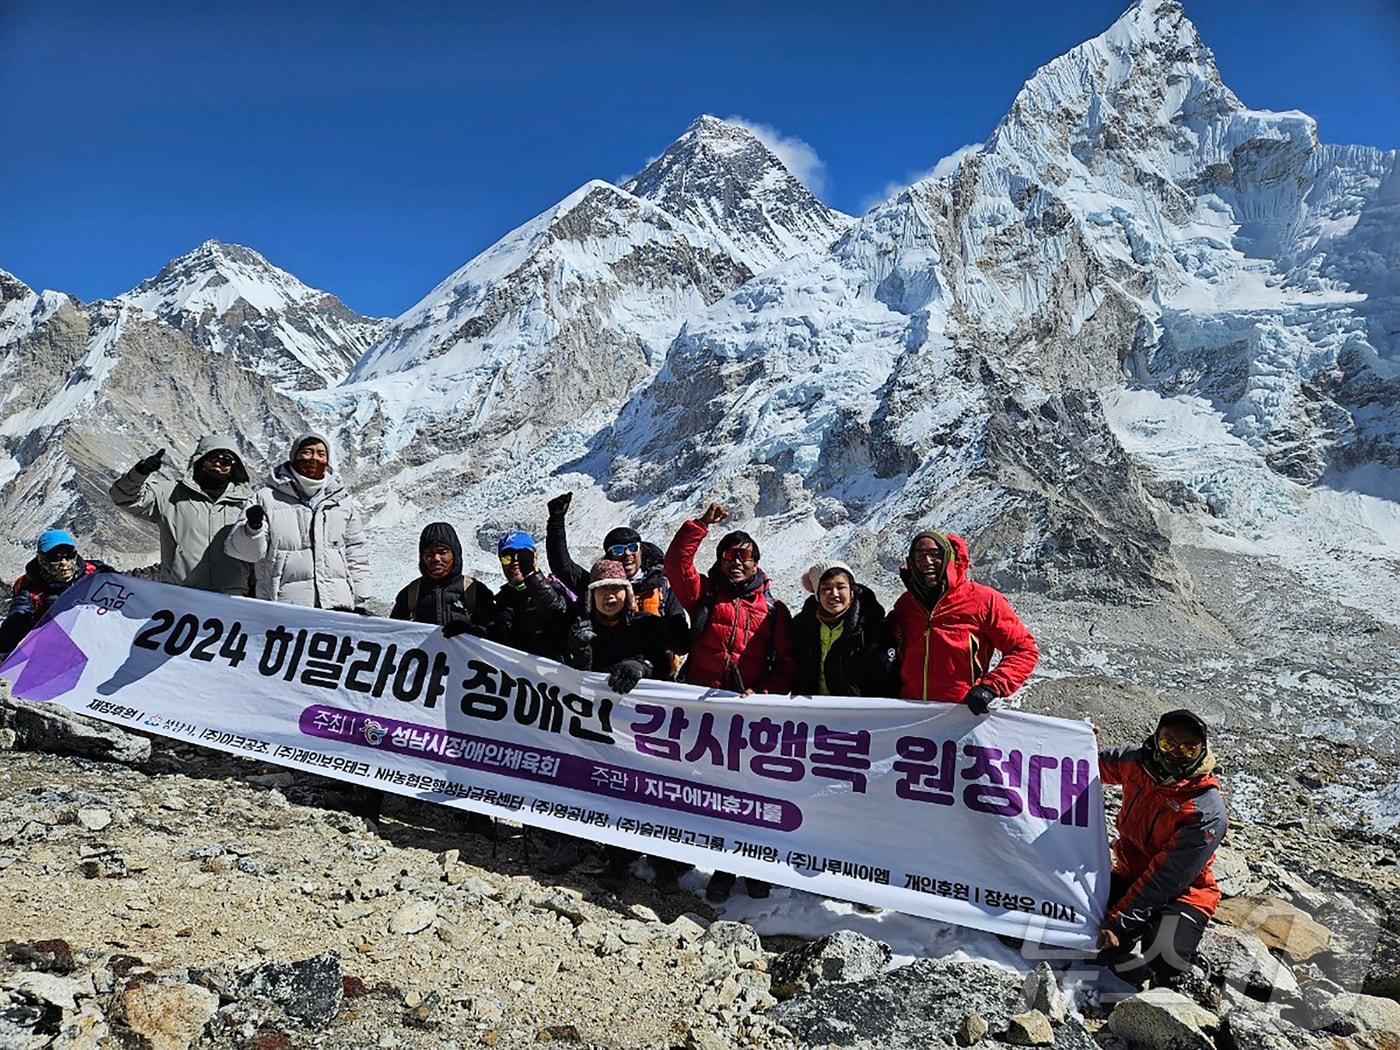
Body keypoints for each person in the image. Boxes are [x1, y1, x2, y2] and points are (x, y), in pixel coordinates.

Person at [664, 501, 794, 902]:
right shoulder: (704, 594)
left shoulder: (773, 611)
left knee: (743, 795)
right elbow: (675, 564)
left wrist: (764, 695)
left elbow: (787, 665)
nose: (736, 563)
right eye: (729, 556)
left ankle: (734, 867)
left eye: (744, 557)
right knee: (693, 786)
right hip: (700, 709)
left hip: (746, 715)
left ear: (756, 563)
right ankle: (680, 856)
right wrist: (699, 525)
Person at [564, 557, 688, 889]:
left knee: (651, 794)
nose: (610, 597)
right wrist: (578, 651)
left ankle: (663, 863)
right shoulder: (582, 629)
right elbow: (572, 679)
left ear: (627, 593)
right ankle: (618, 860)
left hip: (647, 730)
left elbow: (668, 664)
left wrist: (642, 665)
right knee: (615, 791)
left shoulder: (647, 625)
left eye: (616, 589)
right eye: (602, 590)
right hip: (601, 729)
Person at [1096, 710, 1226, 989]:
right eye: (1168, 743)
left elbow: (1167, 878)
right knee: (1077, 911)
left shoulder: (1205, 809)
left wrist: (1119, 922)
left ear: (1202, 752)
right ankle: (1132, 931)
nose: (1176, 753)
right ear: (1156, 740)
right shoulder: (1137, 762)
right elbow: (1090, 764)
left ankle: (1189, 966)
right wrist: (1079, 743)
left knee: (1164, 956)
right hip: (1130, 876)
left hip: (1183, 894)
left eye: (1188, 748)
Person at [887, 530, 1038, 711]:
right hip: (910, 714)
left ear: (948, 558)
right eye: (920, 555)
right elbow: (882, 645)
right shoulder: (906, 604)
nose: (927, 562)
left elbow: (1023, 649)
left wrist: (991, 686)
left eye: (935, 554)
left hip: (962, 714)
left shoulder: (984, 600)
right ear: (911, 561)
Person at [224, 433, 370, 610]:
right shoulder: (266, 498)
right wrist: (252, 529)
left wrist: (360, 598)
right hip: (284, 607)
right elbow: (243, 552)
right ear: (293, 457)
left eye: (321, 454)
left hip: (336, 606)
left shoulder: (341, 501)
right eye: (307, 452)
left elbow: (356, 551)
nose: (314, 458)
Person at [546, 491, 689, 668]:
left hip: (653, 675)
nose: (627, 554)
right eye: (618, 550)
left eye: (632, 547)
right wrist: (556, 520)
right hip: (605, 672)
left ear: (641, 550)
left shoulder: (662, 585)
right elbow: (563, 567)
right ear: (609, 556)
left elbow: (681, 640)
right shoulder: (596, 586)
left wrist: (652, 649)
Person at [109, 435, 255, 595]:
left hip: (231, 599)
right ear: (201, 459)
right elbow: (123, 497)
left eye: (226, 460)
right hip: (180, 595)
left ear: (234, 467)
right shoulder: (170, 494)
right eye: (213, 457)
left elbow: (256, 549)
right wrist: (140, 473)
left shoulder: (248, 503)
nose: (219, 464)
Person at [1, 530, 114, 659]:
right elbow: (13, 628)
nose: (64, 563)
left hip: (100, 640)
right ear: (42, 560)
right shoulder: (29, 591)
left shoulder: (96, 572)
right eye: (55, 558)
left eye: (69, 555)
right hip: (57, 651)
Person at [791, 560, 896, 697]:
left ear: (852, 591)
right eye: (826, 588)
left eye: (840, 587)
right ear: (817, 595)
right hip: (811, 714)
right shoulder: (802, 626)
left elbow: (886, 678)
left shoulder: (870, 625)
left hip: (857, 713)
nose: (834, 594)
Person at [390, 522, 495, 635]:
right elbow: (392, 633)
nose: (436, 558)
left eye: (443, 552)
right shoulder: (410, 594)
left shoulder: (474, 591)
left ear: (454, 555)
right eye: (429, 553)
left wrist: (472, 630)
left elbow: (494, 632)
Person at [489, 531, 572, 660]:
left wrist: (531, 575)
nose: (515, 562)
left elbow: (560, 616)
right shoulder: (500, 603)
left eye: (523, 556)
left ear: (535, 557)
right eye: (507, 557)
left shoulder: (556, 589)